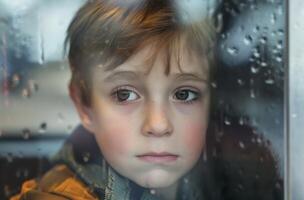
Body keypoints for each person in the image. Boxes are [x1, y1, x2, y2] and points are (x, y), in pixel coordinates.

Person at [11, 0, 282, 199]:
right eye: (125, 94)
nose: (158, 124)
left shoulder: (228, 175)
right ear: (85, 105)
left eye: (184, 94)